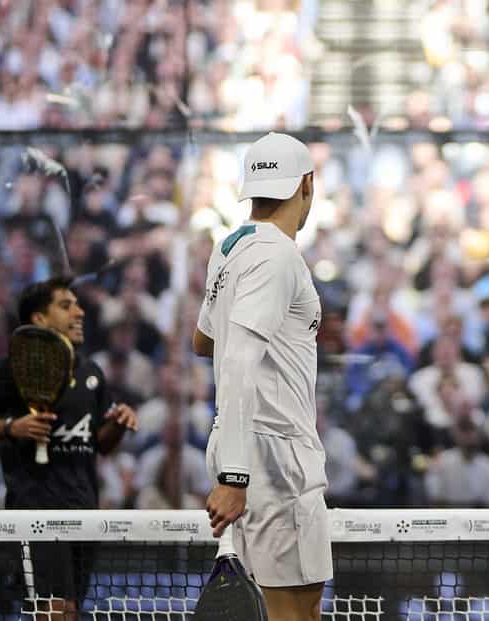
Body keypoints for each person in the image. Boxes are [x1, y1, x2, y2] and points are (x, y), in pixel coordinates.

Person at [193, 132, 330, 621]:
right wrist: (235, 476)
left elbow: (202, 341)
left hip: (243, 445)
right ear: (307, 185)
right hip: (272, 456)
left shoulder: (230, 247)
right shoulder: (279, 257)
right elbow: (236, 361)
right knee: (296, 614)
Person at [0, 276, 139, 619]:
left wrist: (118, 423)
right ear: (39, 319)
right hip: (38, 513)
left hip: (85, 512)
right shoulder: (14, 368)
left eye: (77, 304)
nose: (80, 312)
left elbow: (100, 445)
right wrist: (10, 428)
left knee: (68, 612)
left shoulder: (91, 372)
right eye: (66, 305)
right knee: (53, 612)